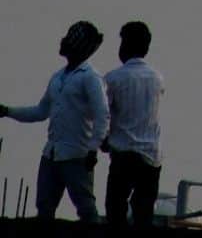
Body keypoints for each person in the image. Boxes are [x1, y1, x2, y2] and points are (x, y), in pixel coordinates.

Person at [0, 21, 110, 221]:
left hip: (77, 154)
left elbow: (102, 115)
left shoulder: (91, 78)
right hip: (52, 153)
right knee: (45, 207)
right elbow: (41, 111)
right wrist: (8, 111)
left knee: (85, 208)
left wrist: (93, 148)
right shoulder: (58, 77)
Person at [103, 22, 164, 229]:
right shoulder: (157, 79)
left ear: (125, 45)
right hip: (151, 156)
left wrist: (101, 140)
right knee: (144, 213)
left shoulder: (113, 78)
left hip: (124, 153)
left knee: (115, 209)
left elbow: (104, 116)